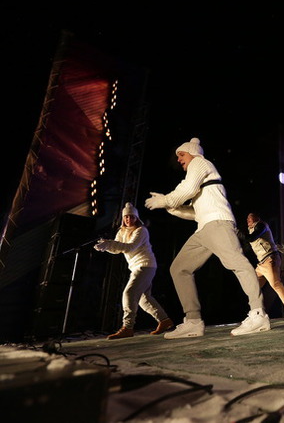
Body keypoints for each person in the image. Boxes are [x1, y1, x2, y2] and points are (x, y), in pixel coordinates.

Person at [144, 138, 270, 338]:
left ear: (193, 152)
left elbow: (187, 190)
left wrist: (166, 200)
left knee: (237, 262)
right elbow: (194, 212)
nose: (179, 159)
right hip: (203, 228)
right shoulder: (200, 178)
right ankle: (193, 321)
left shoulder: (199, 163)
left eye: (182, 155)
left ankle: (258, 313)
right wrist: (168, 205)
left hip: (218, 223)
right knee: (179, 268)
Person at [94, 202, 174, 339]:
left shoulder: (141, 230)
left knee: (129, 293)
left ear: (137, 218)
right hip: (137, 266)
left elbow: (130, 247)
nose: (128, 219)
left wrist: (109, 244)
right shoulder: (121, 232)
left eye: (131, 216)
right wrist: (106, 247)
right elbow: (118, 249)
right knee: (144, 298)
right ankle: (164, 320)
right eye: (126, 217)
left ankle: (128, 327)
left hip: (145, 265)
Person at [244, 213, 284, 322]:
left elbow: (252, 237)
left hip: (270, 259)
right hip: (261, 263)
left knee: (276, 284)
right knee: (253, 286)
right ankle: (256, 313)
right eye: (247, 218)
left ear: (256, 218)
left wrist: (238, 233)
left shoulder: (261, 225)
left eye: (250, 217)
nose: (248, 220)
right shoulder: (250, 230)